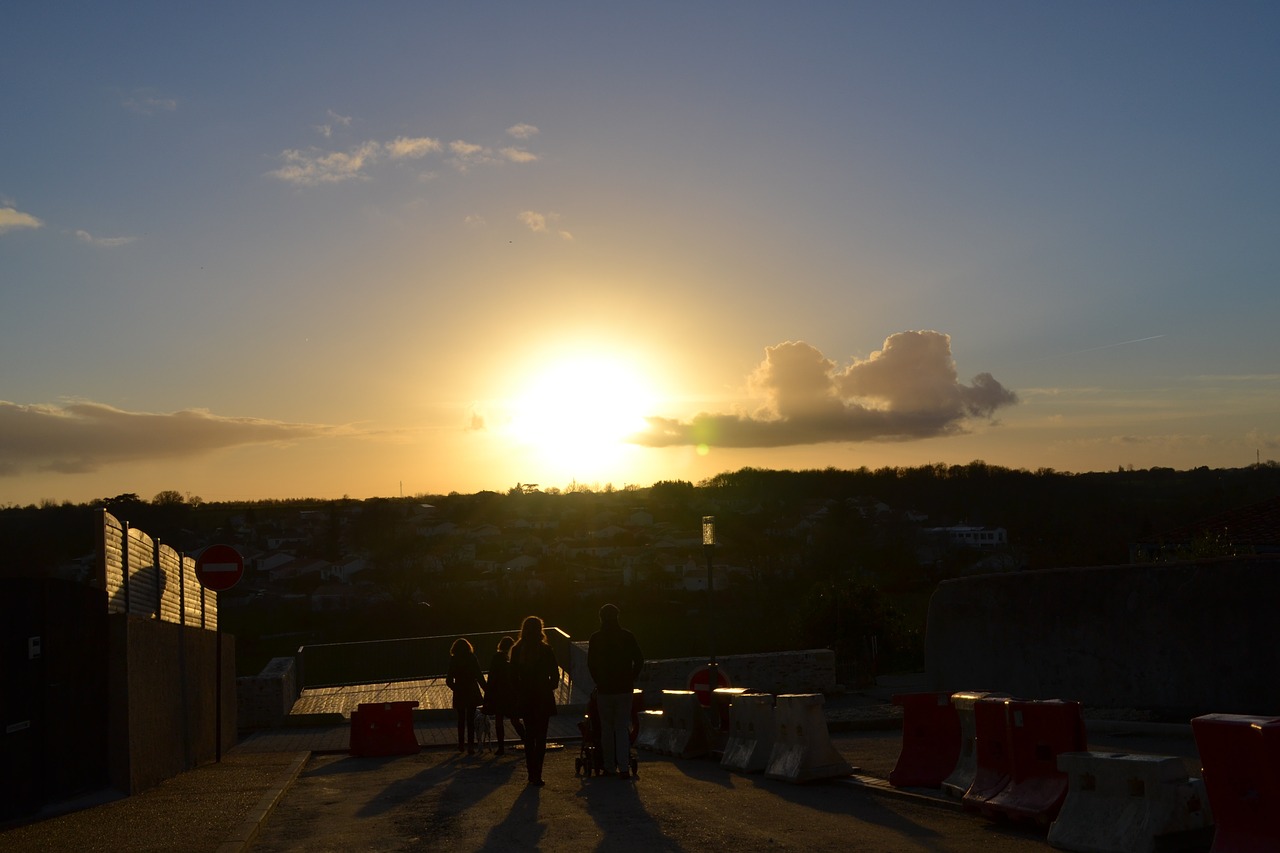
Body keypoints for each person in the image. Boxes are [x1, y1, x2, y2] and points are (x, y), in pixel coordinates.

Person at [587, 603, 645, 777]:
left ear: (601, 618)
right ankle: (624, 767)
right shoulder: (627, 636)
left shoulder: (596, 638)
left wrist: (599, 681)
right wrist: (631, 678)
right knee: (621, 727)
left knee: (606, 729)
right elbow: (639, 660)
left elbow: (591, 664)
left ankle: (609, 766)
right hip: (625, 689)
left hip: (605, 690)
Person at [509, 615, 560, 786]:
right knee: (541, 736)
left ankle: (531, 773)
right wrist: (547, 686)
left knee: (530, 736)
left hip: (526, 697)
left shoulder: (516, 650)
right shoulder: (545, 649)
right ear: (540, 630)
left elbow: (512, 678)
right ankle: (538, 773)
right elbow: (555, 676)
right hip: (543, 697)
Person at [484, 635, 526, 756]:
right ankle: (526, 741)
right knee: (515, 720)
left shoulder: (496, 658)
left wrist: (488, 695)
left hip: (498, 694)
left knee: (498, 720)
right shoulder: (514, 658)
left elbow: (492, 677)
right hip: (512, 694)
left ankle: (501, 747)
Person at [445, 637, 486, 755]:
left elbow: (448, 680)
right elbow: (479, 675)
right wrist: (487, 690)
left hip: (460, 692)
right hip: (472, 690)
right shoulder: (472, 658)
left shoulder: (454, 659)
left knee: (461, 719)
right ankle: (471, 746)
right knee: (471, 720)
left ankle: (461, 744)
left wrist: (455, 687)